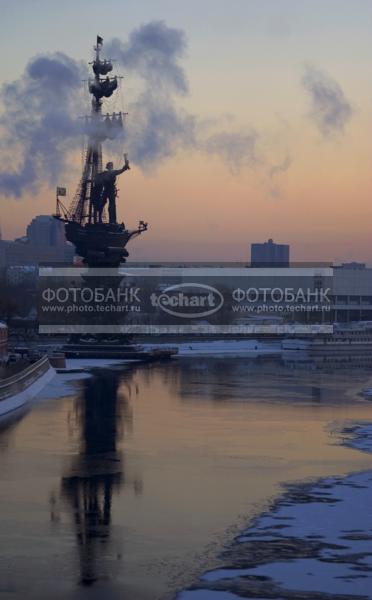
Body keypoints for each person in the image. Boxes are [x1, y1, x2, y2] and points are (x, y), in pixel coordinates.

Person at [94, 154, 130, 224]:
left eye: (111, 166)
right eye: (110, 166)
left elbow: (123, 169)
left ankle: (112, 221)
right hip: (106, 190)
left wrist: (126, 161)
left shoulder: (113, 172)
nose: (111, 167)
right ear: (108, 167)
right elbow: (96, 177)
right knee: (101, 204)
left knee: (111, 206)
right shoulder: (104, 173)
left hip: (110, 190)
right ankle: (100, 220)